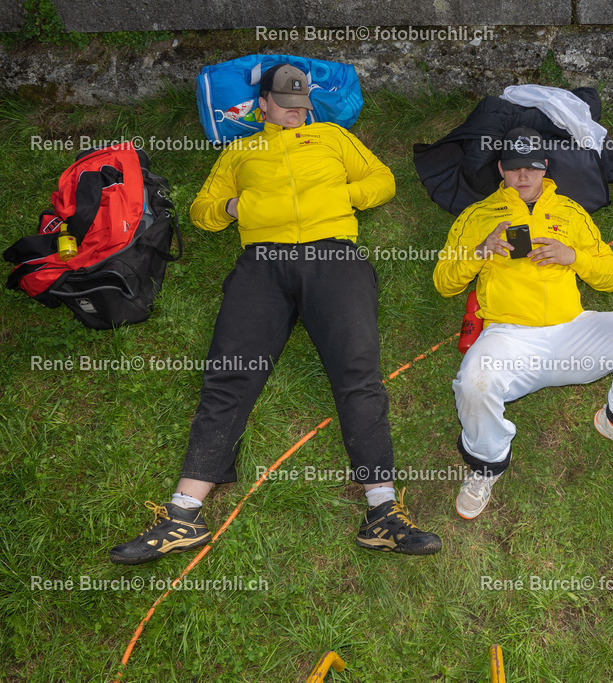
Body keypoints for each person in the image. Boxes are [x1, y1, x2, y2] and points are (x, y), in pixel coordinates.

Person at [110, 64, 441, 564]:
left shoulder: (330, 136)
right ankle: (183, 515)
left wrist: (342, 196)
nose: (294, 113)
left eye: (300, 106)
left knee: (358, 374)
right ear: (261, 104)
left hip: (334, 257)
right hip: (261, 264)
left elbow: (383, 181)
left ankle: (383, 512)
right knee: (228, 376)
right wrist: (233, 208)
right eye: (285, 104)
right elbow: (202, 211)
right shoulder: (240, 150)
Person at [433, 127, 613, 520]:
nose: (522, 176)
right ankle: (487, 463)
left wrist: (572, 256)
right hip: (509, 337)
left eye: (531, 167)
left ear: (545, 169)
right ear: (501, 169)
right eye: (513, 168)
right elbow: (443, 282)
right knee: (474, 382)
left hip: (572, 330)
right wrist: (480, 251)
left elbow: (611, 277)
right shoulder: (477, 216)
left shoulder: (571, 212)